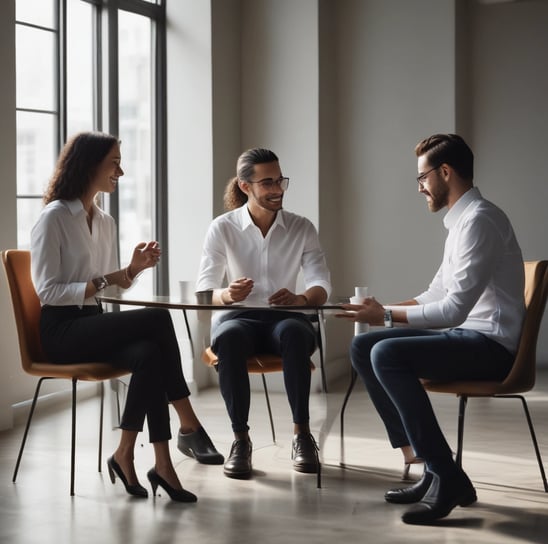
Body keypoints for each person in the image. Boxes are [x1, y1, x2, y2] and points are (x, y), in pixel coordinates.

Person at [337, 133, 524, 524]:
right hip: (466, 337)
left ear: (445, 172)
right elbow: (434, 294)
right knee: (364, 347)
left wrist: (384, 317)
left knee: (385, 353)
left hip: (489, 347)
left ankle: (444, 473)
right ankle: (436, 469)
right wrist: (375, 311)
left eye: (422, 177)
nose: (420, 187)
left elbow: (454, 310)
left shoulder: (481, 221)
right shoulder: (462, 223)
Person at [31, 131, 224, 503]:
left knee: (150, 354)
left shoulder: (104, 220)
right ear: (89, 166)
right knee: (155, 320)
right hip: (62, 331)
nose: (121, 171)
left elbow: (109, 289)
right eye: (114, 163)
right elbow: (48, 292)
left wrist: (132, 270)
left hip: (92, 322)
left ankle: (150, 460)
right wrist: (112, 277)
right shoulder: (53, 218)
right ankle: (187, 420)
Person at [196, 148, 331, 479]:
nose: (278, 189)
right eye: (267, 182)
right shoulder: (222, 228)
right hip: (236, 317)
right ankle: (240, 441)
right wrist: (227, 294)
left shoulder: (301, 227)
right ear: (245, 186)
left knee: (297, 334)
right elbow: (203, 292)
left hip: (285, 316)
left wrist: (300, 299)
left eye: (280, 180)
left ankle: (302, 435)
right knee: (227, 338)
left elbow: (320, 283)